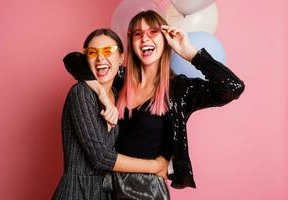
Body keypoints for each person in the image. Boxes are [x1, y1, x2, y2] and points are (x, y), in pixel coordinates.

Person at [66, 10, 245, 200]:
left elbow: (232, 87)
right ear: (132, 44)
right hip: (109, 187)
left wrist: (189, 52)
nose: (145, 38)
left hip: (146, 190)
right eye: (138, 34)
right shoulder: (120, 80)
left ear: (165, 39)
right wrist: (101, 93)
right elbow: (74, 60)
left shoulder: (179, 89)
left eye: (153, 32)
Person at [52, 28, 168, 200]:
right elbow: (101, 158)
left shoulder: (119, 92)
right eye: (93, 52)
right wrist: (156, 166)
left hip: (107, 193)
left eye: (108, 51)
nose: (100, 58)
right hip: (76, 192)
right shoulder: (80, 93)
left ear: (121, 57)